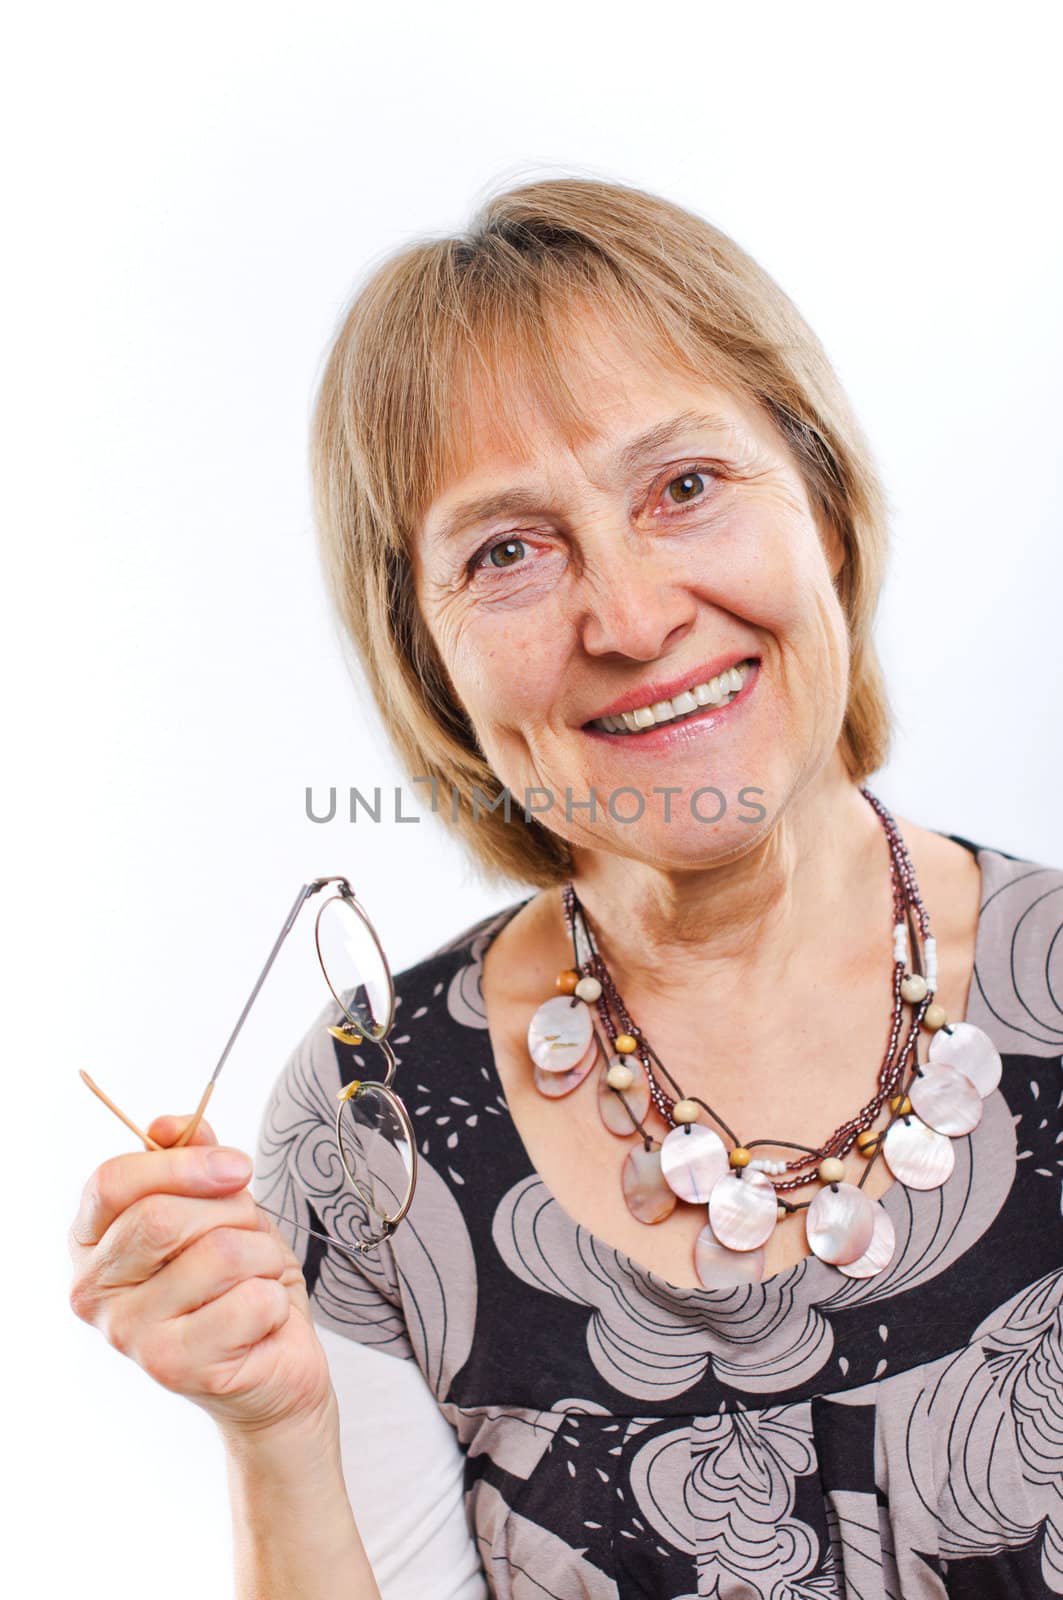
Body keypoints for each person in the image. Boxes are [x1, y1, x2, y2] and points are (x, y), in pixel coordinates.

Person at [69, 178, 1063, 1600]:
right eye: (510, 553)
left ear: (823, 507)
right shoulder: (371, 1136)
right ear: (433, 663)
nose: (635, 618)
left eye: (687, 487)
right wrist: (277, 1435)